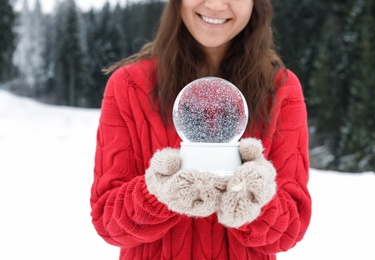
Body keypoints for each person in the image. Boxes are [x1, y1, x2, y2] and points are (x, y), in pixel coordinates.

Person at [90, 0, 312, 259]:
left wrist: (257, 201)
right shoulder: (128, 86)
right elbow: (107, 222)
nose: (216, 5)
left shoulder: (280, 89)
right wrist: (158, 193)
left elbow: (291, 229)